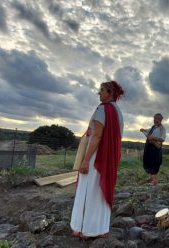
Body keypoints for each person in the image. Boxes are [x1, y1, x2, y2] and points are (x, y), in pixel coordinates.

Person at [70, 81, 124, 239]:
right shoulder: (117, 111)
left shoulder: (103, 109)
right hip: (108, 158)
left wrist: (86, 160)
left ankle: (85, 230)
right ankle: (100, 229)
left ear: (110, 93)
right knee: (100, 191)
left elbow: (97, 135)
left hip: (96, 157)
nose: (99, 93)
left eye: (102, 90)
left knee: (89, 190)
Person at [140, 113, 166, 185]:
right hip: (149, 148)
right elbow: (148, 131)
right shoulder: (153, 127)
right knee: (149, 162)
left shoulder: (162, 128)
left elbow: (162, 139)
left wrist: (153, 138)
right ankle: (152, 179)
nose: (155, 120)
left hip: (155, 148)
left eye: (157, 119)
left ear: (161, 120)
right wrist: (143, 129)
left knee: (155, 164)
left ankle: (155, 181)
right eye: (154, 118)